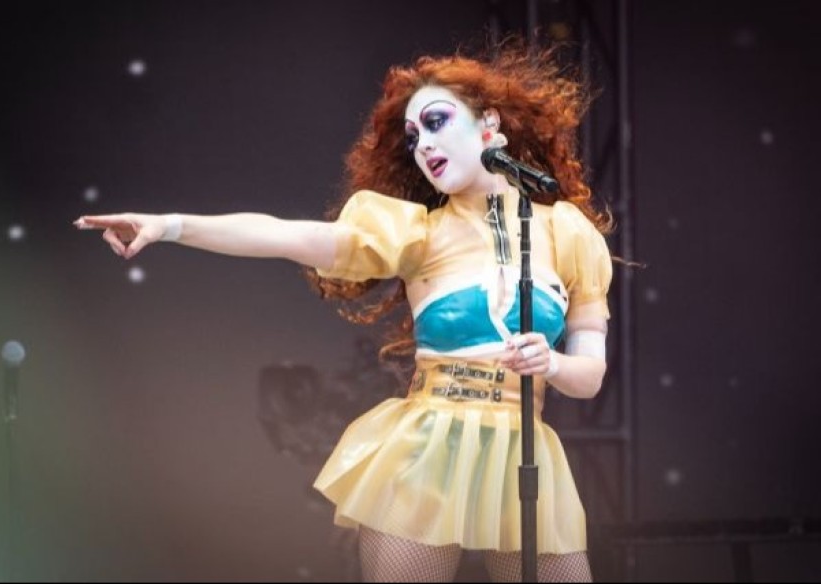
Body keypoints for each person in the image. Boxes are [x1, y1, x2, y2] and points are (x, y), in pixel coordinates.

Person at [74, 40, 613, 583]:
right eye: (413, 137)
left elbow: (589, 376)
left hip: (522, 453)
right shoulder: (414, 234)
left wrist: (552, 363)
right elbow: (285, 235)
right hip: (428, 454)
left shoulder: (566, 233)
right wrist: (169, 226)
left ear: (489, 123)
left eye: (436, 121)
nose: (424, 144)